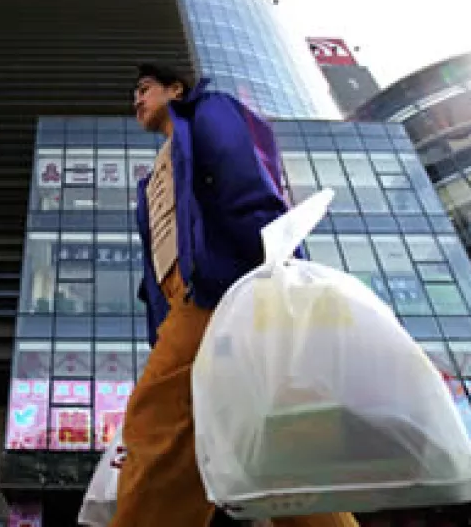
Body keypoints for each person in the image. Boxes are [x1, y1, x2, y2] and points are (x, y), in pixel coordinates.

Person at [109, 63, 359, 527]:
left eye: (144, 89)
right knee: (273, 441)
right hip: (187, 305)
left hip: (218, 294)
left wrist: (280, 265)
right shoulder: (152, 177)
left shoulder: (208, 112)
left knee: (158, 421)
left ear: (175, 89)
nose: (136, 100)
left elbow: (246, 182)